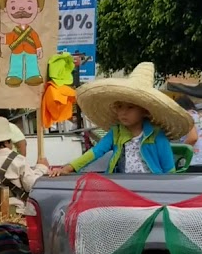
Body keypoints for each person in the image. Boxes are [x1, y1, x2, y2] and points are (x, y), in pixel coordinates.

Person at [52, 62, 193, 176]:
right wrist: (69, 168)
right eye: (119, 107)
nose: (123, 112)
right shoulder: (116, 133)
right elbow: (95, 152)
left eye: (130, 108)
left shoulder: (156, 134)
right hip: (123, 187)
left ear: (144, 111)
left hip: (152, 190)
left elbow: (169, 170)